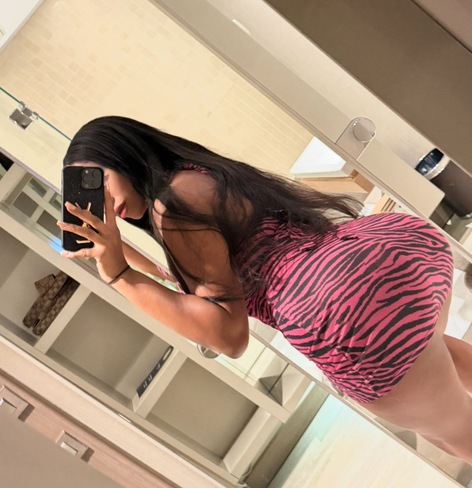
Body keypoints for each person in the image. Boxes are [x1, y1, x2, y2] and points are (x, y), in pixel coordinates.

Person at [59, 115, 472, 464]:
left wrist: (117, 275)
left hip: (344, 313)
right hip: (395, 251)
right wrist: (121, 253)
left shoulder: (172, 208)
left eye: (99, 180)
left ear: (123, 154)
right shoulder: (198, 173)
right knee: (436, 353)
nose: (104, 198)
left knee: (454, 433)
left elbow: (229, 335)